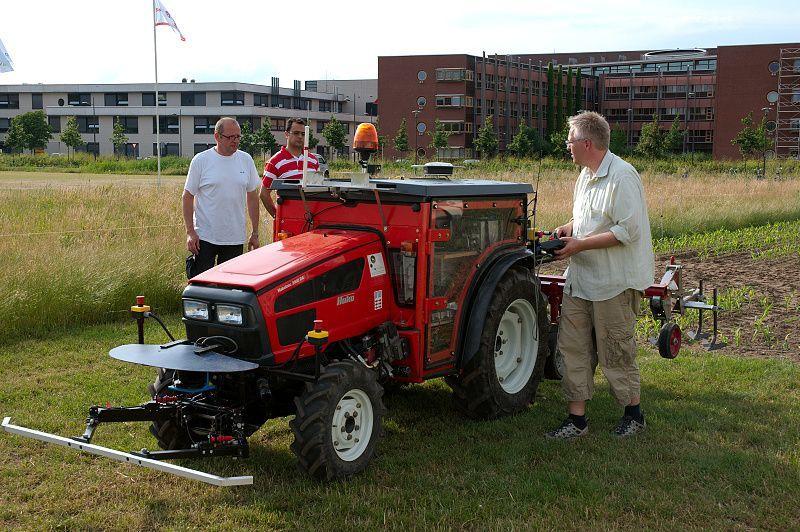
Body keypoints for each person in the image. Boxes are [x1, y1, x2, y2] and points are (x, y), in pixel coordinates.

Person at [545, 111, 654, 439]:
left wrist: (579, 246)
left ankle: (633, 414)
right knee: (573, 347)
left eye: (570, 140)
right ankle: (577, 421)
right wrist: (568, 228)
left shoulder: (622, 176)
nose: (567, 146)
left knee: (615, 351)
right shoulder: (585, 176)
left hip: (613, 283)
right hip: (581, 281)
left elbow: (628, 231)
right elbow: (587, 218)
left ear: (587, 143)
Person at [182, 117, 261, 276]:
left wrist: (255, 232)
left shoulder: (246, 160)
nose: (235, 141)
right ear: (217, 136)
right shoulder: (201, 160)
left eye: (238, 136)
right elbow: (187, 196)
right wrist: (190, 232)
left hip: (235, 238)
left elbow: (252, 197)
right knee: (203, 287)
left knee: (229, 288)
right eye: (230, 137)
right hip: (205, 238)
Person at [259, 118, 319, 218]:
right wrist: (278, 216)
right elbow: (264, 194)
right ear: (286, 134)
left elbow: (318, 188)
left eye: (303, 134)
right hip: (289, 223)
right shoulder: (275, 162)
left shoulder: (313, 160)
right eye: (296, 133)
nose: (300, 137)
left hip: (313, 218)